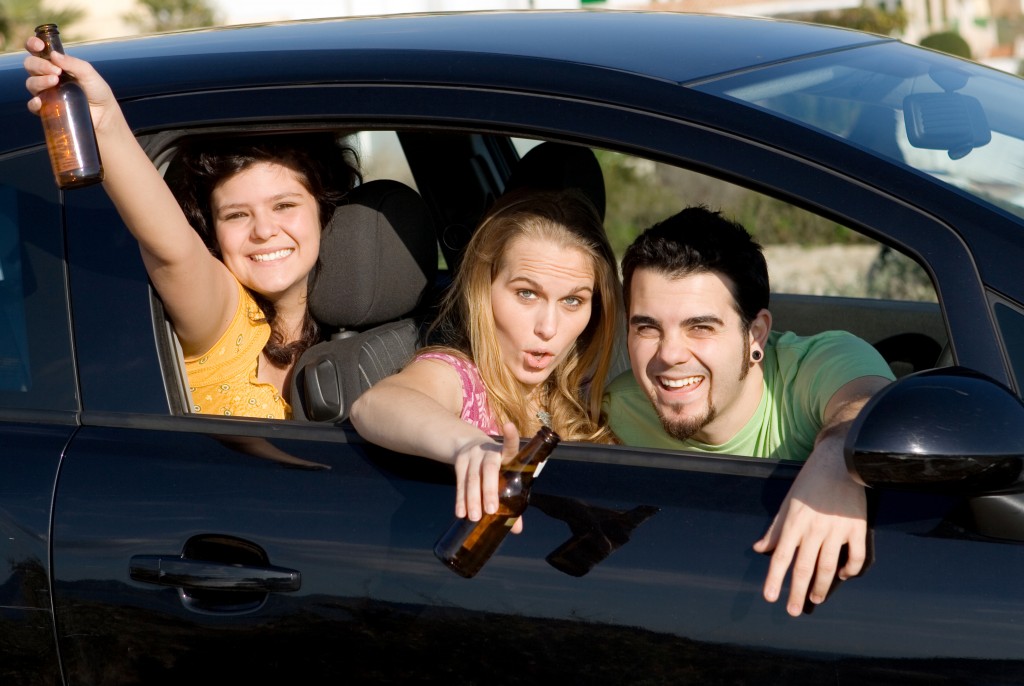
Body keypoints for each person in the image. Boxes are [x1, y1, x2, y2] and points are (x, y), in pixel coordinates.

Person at [23, 37, 359, 419]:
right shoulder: (226, 317)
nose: (264, 230)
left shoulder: (377, 328)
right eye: (236, 215)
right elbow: (174, 250)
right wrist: (105, 123)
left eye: (284, 206)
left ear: (322, 211)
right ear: (212, 228)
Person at [603, 205, 895, 617]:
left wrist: (837, 459)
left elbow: (867, 404)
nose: (668, 355)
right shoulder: (614, 411)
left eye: (700, 327)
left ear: (755, 333)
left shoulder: (816, 364)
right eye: (646, 327)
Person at [351, 188, 622, 530]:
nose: (549, 328)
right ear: (484, 288)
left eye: (572, 301)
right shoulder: (460, 377)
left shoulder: (576, 389)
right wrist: (471, 445)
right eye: (526, 293)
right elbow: (376, 404)